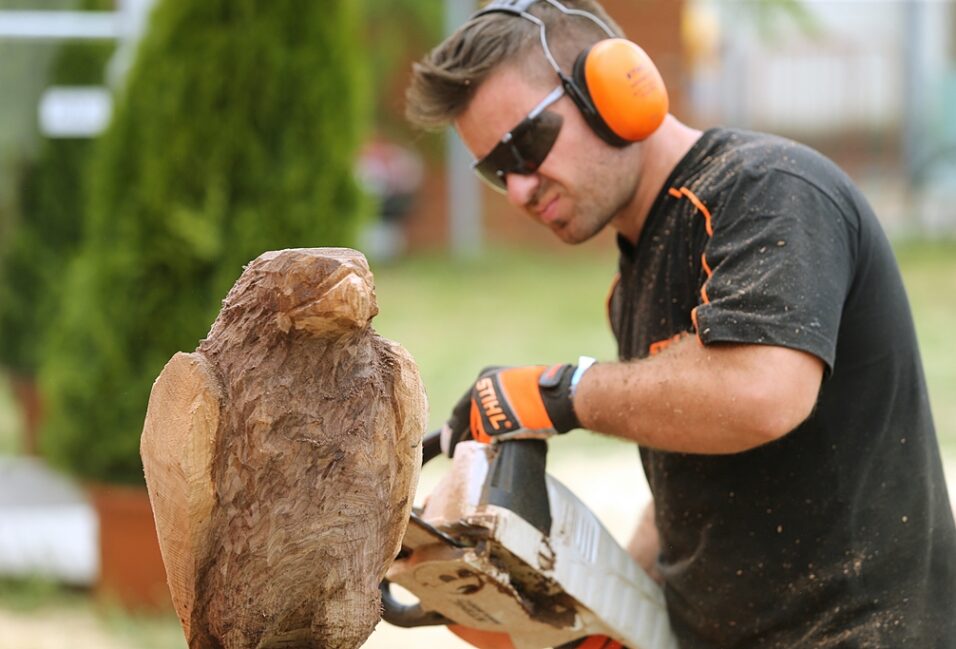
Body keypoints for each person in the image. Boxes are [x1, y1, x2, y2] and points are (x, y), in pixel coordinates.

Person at [405, 0, 956, 647]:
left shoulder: (769, 191)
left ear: (614, 90)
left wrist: (558, 393)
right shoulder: (633, 279)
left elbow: (762, 390)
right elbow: (690, 496)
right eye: (496, 171)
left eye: (524, 145)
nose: (521, 188)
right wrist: (595, 612)